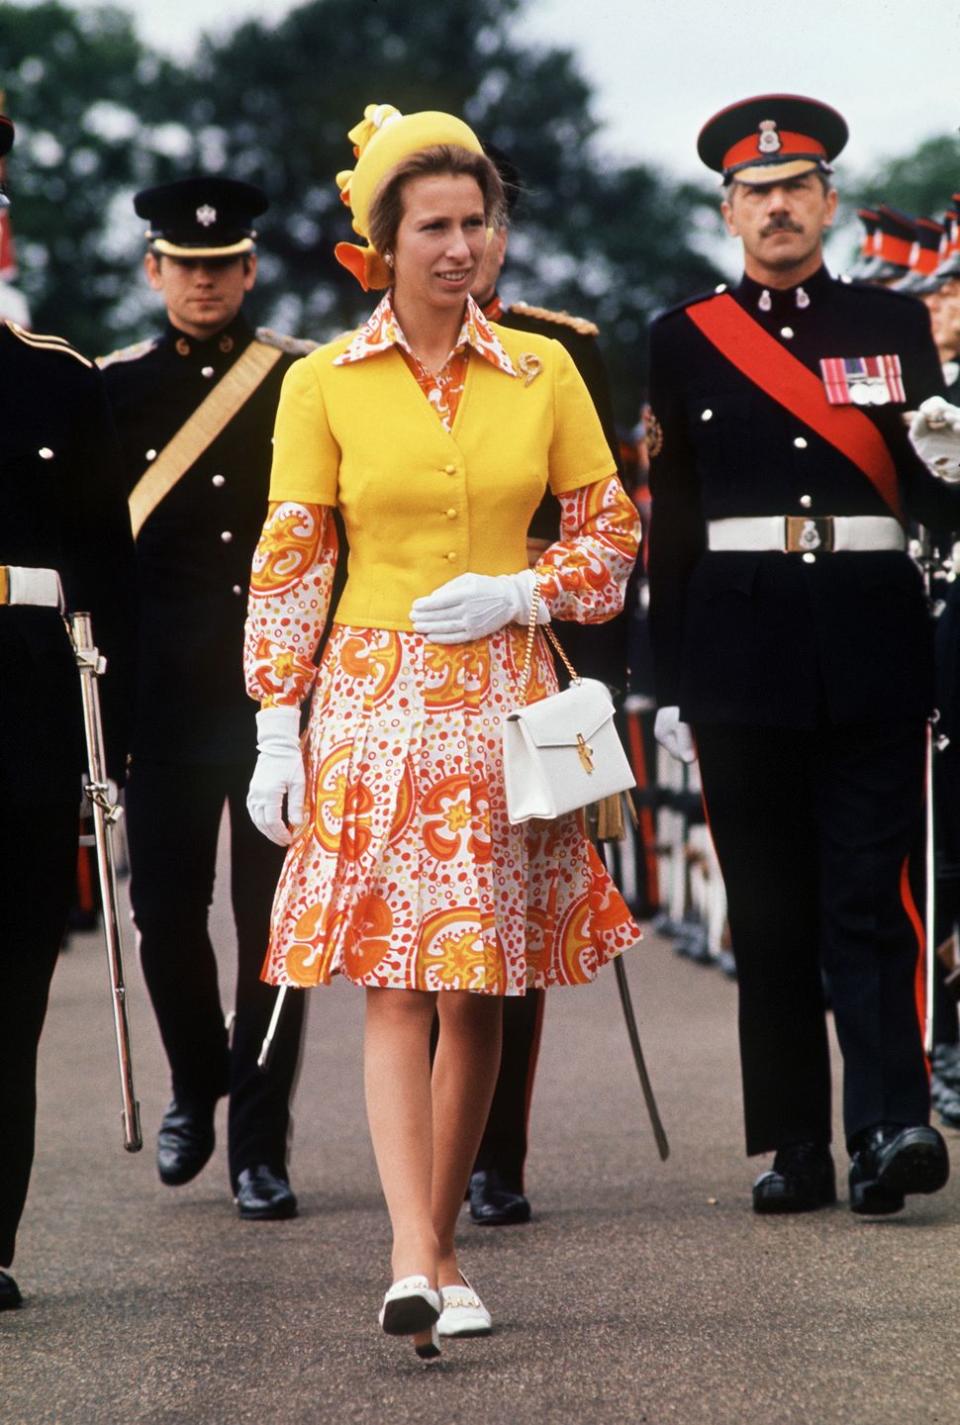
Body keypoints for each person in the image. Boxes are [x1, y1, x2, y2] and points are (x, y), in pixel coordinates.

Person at [243, 101, 641, 1355]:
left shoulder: (547, 372)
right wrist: (272, 720)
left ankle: (446, 1246)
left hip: (503, 703)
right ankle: (413, 1253)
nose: (459, 247)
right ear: (381, 242)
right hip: (369, 702)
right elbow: (293, 561)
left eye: (478, 224)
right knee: (396, 983)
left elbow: (615, 540)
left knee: (480, 989)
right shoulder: (322, 383)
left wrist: (528, 587)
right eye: (433, 226)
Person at [648, 92, 960, 1217]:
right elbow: (670, 520)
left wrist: (949, 456)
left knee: (872, 899)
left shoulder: (890, 326)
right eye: (756, 193)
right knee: (771, 909)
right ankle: (795, 1143)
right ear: (729, 212)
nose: (777, 208)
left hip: (873, 643)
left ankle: (888, 1126)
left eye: (796, 189)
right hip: (737, 655)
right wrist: (664, 679)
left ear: (826, 201)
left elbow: (939, 496)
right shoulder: (681, 339)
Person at [99, 176, 313, 1221]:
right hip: (163, 699)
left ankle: (260, 1147)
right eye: (185, 266)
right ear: (154, 270)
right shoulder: (113, 390)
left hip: (282, 696)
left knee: (279, 929)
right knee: (163, 917)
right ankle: (198, 1079)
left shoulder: (306, 382)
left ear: (250, 268)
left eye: (223, 265)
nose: (204, 282)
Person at [461, 148, 629, 1228]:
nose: (460, 246)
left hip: (536, 648)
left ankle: (498, 1156)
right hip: (408, 653)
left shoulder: (559, 353)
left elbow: (600, 517)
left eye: (477, 222)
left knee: (514, 910)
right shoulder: (348, 366)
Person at [0, 108, 135, 1308]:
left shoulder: (56, 382)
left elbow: (107, 566)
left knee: (9, 990)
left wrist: (120, 736)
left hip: (21, 712)